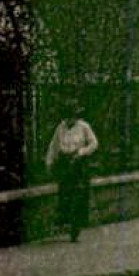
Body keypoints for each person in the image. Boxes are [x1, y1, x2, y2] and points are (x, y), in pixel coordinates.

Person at [45, 101, 99, 241]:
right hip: (65, 162)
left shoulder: (83, 127)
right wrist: (49, 162)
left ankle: (76, 227)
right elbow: (54, 146)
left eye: (72, 117)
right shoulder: (60, 128)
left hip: (78, 162)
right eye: (67, 117)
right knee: (65, 192)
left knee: (78, 194)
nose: (69, 120)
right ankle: (65, 220)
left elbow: (94, 143)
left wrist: (82, 152)